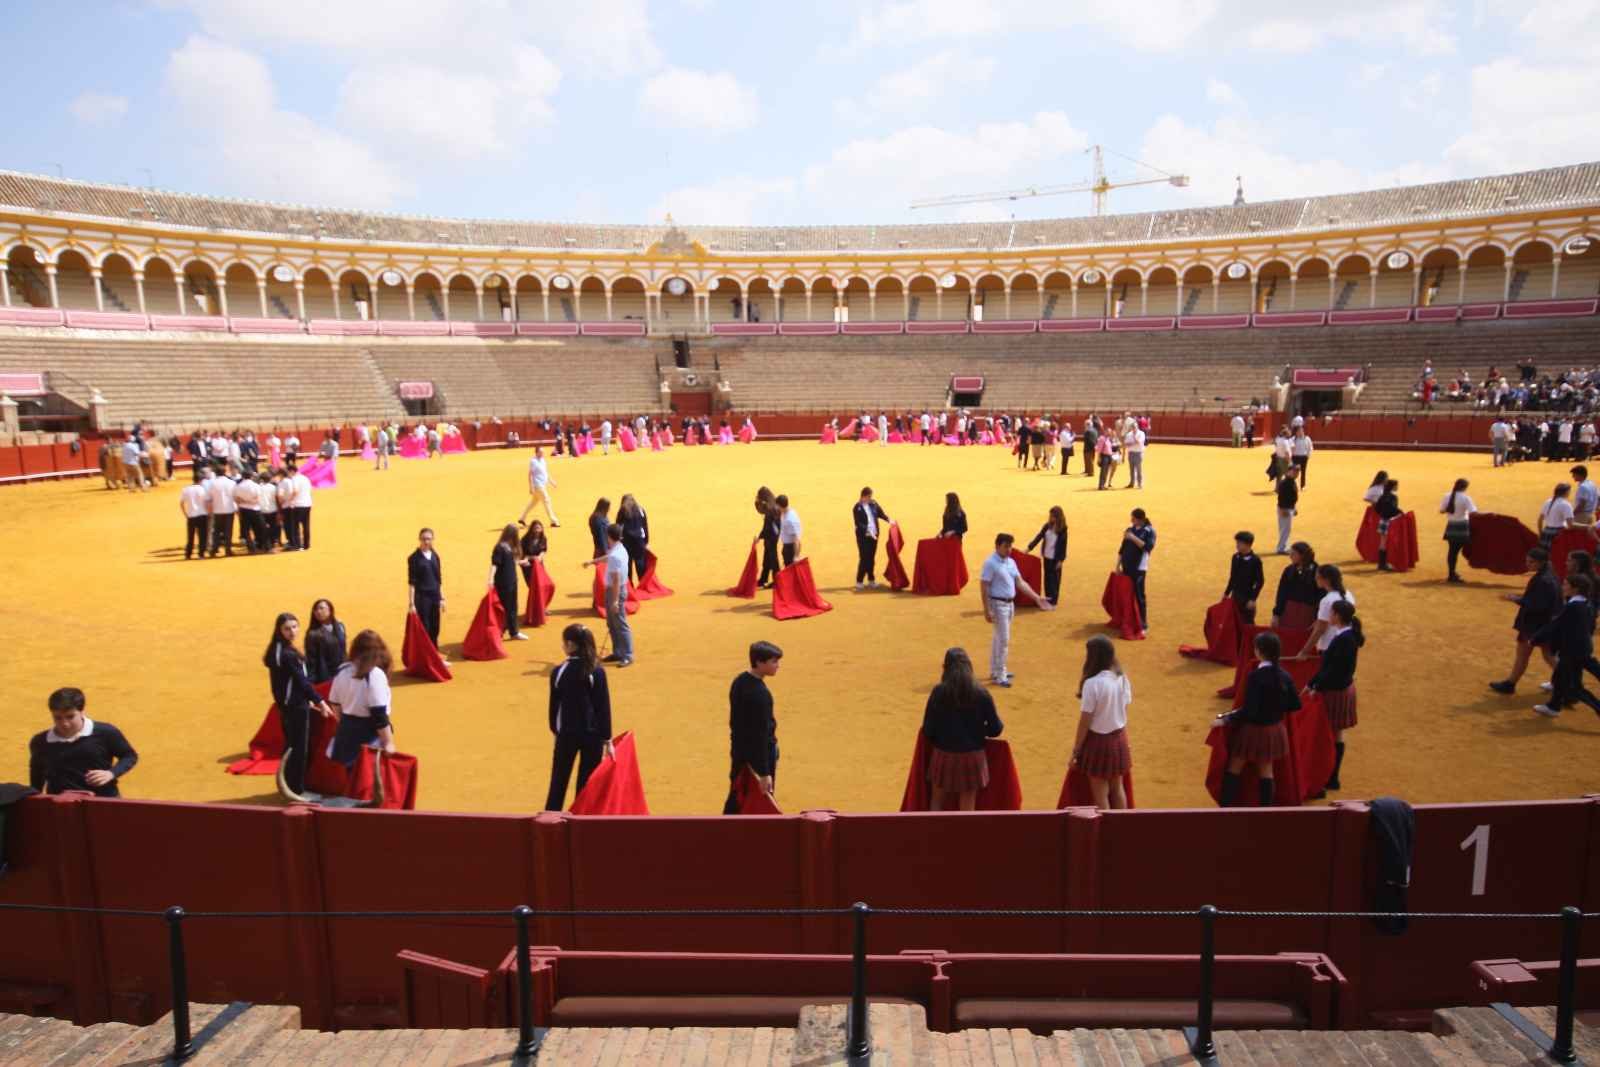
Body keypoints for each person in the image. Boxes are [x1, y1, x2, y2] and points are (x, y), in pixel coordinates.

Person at [1214, 631, 1300, 807]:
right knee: (1266, 770)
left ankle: (1224, 810)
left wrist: (1225, 718)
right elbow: (1295, 705)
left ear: (1260, 651)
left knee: (1235, 766)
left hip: (1254, 731)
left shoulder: (1256, 677)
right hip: (1275, 730)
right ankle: (1264, 813)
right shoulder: (1285, 675)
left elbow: (1249, 710)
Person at [920, 648, 1003, 811]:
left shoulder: (939, 692)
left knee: (936, 803)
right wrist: (977, 730)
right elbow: (996, 729)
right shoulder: (981, 693)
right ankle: (965, 837)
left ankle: (932, 835)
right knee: (967, 809)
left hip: (943, 755)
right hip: (973, 759)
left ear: (945, 668)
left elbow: (928, 730)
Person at [264, 612, 335, 797]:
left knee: (291, 744)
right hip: (296, 706)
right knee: (299, 747)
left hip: (288, 705)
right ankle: (297, 789)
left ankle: (288, 783)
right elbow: (301, 682)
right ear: (279, 630)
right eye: (287, 628)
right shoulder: (287, 654)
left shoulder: (278, 650)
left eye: (295, 627)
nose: (292, 631)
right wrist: (320, 701)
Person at [544, 623, 614, 811]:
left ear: (571, 645)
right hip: (593, 736)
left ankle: (551, 816)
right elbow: (603, 706)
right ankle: (582, 818)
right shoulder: (596, 670)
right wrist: (607, 738)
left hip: (566, 733)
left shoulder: (559, 672)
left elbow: (554, 705)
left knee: (559, 779)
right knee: (587, 782)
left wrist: (556, 730)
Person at [28, 687, 138, 798]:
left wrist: (111, 773)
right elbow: (37, 775)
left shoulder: (105, 732)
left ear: (81, 712)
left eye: (70, 717)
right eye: (58, 718)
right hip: (60, 805)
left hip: (103, 802)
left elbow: (129, 755)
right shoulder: (40, 742)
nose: (64, 723)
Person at [979, 533, 1054, 688]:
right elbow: (984, 586)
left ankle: (995, 670)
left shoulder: (1011, 562)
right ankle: (1000, 675)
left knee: (998, 638)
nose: (1009, 549)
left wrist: (1036, 598)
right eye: (1006, 546)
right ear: (997, 546)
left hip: (1009, 605)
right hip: (998, 605)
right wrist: (986, 610)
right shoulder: (990, 563)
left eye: (1010, 546)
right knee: (1003, 640)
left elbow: (1020, 583)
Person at [1306, 600, 1363, 794]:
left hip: (1334, 691)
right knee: (1337, 734)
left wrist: (1314, 685)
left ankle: (1327, 776)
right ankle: (1332, 777)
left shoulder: (1342, 639)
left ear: (1337, 616)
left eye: (1331, 613)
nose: (1328, 616)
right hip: (1343, 689)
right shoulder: (1349, 636)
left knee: (1327, 735)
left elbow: (1330, 670)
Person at [1070, 635, 1132, 810]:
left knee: (1100, 793)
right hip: (1119, 738)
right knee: (1117, 787)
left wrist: (1076, 751)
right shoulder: (1122, 678)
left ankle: (1106, 832)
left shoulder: (1092, 684)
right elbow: (1124, 709)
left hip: (1098, 743)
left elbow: (1085, 722)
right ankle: (1122, 826)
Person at [1491, 547, 1562, 696]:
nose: (1527, 564)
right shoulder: (1550, 576)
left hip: (1534, 624)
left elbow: (1536, 604)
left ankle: (1510, 684)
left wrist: (1516, 599)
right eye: (1527, 561)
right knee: (1547, 655)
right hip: (1546, 623)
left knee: (1528, 655)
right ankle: (1569, 683)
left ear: (1541, 563)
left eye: (1531, 562)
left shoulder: (1542, 580)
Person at [723, 640, 783, 813]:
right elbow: (761, 735)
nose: (777, 666)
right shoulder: (760, 695)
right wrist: (764, 773)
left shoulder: (739, 681)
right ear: (759, 662)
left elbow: (736, 723)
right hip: (760, 755)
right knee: (759, 803)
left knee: (737, 795)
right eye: (773, 661)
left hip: (740, 752)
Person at [1532, 573, 1600, 718]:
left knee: (1574, 687)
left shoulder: (1573, 607)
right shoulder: (1588, 603)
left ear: (1575, 589)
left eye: (1565, 584)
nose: (1562, 586)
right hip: (1583, 648)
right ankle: (1554, 706)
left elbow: (1554, 625)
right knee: (1560, 678)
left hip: (1572, 652)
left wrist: (1534, 639)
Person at [326, 629, 397, 768]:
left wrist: (345, 723)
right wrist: (388, 742)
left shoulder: (342, 670)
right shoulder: (375, 675)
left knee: (351, 777)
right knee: (369, 779)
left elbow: (335, 703)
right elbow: (379, 715)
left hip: (346, 731)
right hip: (369, 734)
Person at [584, 523, 633, 667]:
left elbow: (616, 579)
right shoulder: (619, 549)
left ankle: (627, 655)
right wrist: (593, 562)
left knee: (620, 623)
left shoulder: (616, 555)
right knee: (611, 623)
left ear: (609, 537)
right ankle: (618, 652)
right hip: (614, 590)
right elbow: (608, 557)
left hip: (615, 591)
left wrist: (615, 601)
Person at [1296, 564, 1354, 659]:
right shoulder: (1349, 595)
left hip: (1329, 647)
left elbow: (1320, 630)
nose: (1315, 579)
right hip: (1345, 645)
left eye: (1318, 577)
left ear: (1326, 580)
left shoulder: (1327, 601)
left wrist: (1304, 651)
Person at [1118, 509, 1156, 632]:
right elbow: (1122, 549)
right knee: (1126, 595)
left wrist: (1132, 537)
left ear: (1140, 519)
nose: (1131, 521)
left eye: (1133, 519)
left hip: (1139, 568)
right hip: (1127, 566)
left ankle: (1143, 624)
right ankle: (1128, 621)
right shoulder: (1130, 529)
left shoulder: (1149, 531)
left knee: (1139, 596)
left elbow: (1148, 547)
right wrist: (1118, 565)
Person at [407, 528, 445, 649]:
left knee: (435, 627)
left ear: (432, 540)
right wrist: (412, 603)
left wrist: (442, 598)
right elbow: (412, 583)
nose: (426, 541)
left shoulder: (435, 556)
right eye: (424, 539)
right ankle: (427, 657)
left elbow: (439, 579)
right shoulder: (414, 558)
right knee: (425, 627)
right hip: (422, 598)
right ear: (419, 540)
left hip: (434, 596)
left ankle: (435, 654)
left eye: (428, 539)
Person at [1271, 542, 1321, 630]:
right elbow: (1282, 592)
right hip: (1289, 611)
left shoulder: (1317, 571)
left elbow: (1321, 594)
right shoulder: (1289, 570)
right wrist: (1276, 614)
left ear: (1302, 555)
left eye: (1293, 554)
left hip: (1308, 613)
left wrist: (1318, 617)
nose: (1290, 556)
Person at [489, 524, 526, 641]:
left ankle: (513, 632)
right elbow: (495, 564)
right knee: (504, 608)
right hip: (503, 583)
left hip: (512, 581)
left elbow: (512, 562)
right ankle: (500, 632)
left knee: (513, 607)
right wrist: (490, 579)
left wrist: (521, 562)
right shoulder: (500, 547)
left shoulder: (510, 547)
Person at [1027, 506, 1069, 605]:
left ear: (1058, 517)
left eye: (1053, 516)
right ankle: (1048, 599)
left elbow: (1064, 545)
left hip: (1055, 558)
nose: (1050, 518)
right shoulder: (1047, 526)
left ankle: (1053, 602)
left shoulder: (1063, 529)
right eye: (1050, 516)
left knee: (1055, 580)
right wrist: (1029, 548)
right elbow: (1039, 537)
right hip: (1047, 557)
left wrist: (1060, 560)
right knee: (1047, 579)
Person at [851, 487, 891, 589]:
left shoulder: (873, 503)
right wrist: (868, 532)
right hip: (863, 537)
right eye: (869, 497)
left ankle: (871, 580)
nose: (870, 498)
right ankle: (859, 581)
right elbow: (859, 524)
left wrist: (889, 520)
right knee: (864, 558)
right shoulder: (857, 508)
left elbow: (880, 514)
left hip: (874, 535)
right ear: (863, 496)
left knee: (871, 558)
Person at [1440, 478, 1478, 583]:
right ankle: (1452, 574)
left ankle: (1451, 574)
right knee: (1469, 547)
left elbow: (1442, 510)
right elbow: (1473, 512)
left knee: (1452, 551)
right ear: (1465, 487)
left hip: (1451, 525)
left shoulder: (1447, 496)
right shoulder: (1466, 498)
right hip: (1462, 526)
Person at [1224, 531, 1265, 623]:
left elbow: (1260, 581)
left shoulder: (1255, 561)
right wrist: (1226, 593)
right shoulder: (1235, 557)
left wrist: (1252, 599)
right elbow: (1232, 577)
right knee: (1233, 621)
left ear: (1247, 545)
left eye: (1239, 543)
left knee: (1247, 622)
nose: (1237, 545)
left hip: (1247, 597)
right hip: (1235, 595)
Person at [305, 598, 348, 684]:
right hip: (326, 677)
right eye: (316, 609)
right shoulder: (313, 634)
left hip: (343, 673)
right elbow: (311, 660)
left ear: (330, 610)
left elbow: (343, 649)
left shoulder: (340, 626)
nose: (318, 612)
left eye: (321, 608)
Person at [518, 444, 559, 528]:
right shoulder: (533, 461)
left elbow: (545, 473)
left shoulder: (543, 460)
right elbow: (530, 475)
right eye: (541, 452)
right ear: (536, 452)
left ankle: (522, 518)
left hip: (542, 485)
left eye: (543, 452)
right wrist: (531, 487)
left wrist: (552, 482)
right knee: (547, 500)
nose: (542, 453)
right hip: (538, 485)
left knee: (533, 503)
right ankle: (553, 520)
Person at [205, 462, 237, 557]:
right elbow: (235, 496)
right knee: (228, 531)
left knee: (217, 531)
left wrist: (210, 511)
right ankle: (228, 550)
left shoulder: (212, 484)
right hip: (229, 509)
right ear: (225, 472)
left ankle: (214, 550)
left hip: (217, 510)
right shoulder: (231, 483)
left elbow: (209, 499)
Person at [617, 494, 650, 585]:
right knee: (640, 563)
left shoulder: (623, 510)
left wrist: (617, 542)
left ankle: (629, 586)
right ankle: (643, 585)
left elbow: (618, 526)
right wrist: (646, 541)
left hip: (626, 541)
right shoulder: (641, 510)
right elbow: (645, 526)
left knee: (627, 564)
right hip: (640, 540)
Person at [754, 487, 781, 589]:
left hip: (771, 536)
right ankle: (763, 579)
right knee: (768, 558)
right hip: (772, 535)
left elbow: (767, 527)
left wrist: (759, 537)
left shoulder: (770, 508)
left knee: (773, 559)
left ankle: (776, 581)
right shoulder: (772, 506)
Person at [179, 475, 210, 559]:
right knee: (202, 536)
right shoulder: (203, 490)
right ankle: (201, 554)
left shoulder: (186, 489)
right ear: (200, 481)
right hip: (202, 515)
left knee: (190, 536)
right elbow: (207, 503)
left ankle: (188, 554)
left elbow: (181, 503)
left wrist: (185, 514)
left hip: (191, 515)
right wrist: (208, 512)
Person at [285, 461, 313, 552]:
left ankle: (297, 545)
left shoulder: (294, 479)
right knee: (306, 525)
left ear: (292, 471)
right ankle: (306, 544)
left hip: (298, 505)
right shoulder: (306, 478)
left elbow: (295, 492)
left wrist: (290, 500)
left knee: (295, 526)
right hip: (307, 504)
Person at [1374, 479, 1401, 572]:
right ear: (1393, 487)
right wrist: (1401, 513)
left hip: (1382, 520)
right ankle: (1383, 564)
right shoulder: (1393, 497)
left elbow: (1376, 508)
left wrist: (1382, 514)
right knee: (1388, 542)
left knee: (1382, 542)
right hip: (1390, 521)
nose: (1398, 487)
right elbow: (1393, 509)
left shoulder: (1383, 495)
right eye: (1397, 485)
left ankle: (1381, 564)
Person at [1275, 468, 1299, 554]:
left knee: (1286, 529)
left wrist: (1294, 508)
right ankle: (1281, 548)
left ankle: (1284, 546)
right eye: (1294, 471)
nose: (1296, 473)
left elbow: (1292, 497)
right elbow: (1281, 498)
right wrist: (1282, 509)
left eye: (1297, 472)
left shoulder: (1291, 481)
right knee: (1285, 529)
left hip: (1288, 507)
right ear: (1288, 472)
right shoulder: (1285, 483)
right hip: (1284, 508)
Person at [257, 470, 280, 551]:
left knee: (263, 529)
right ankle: (272, 544)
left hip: (262, 510)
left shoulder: (258, 487)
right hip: (272, 510)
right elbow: (277, 500)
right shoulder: (273, 487)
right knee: (273, 528)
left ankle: (264, 545)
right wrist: (279, 511)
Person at [778, 494, 803, 567]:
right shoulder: (790, 512)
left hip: (790, 549)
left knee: (790, 572)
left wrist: (796, 556)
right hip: (788, 548)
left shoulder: (790, 520)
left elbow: (796, 539)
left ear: (780, 506)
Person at [1124, 421, 1146, 488]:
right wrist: (1133, 442)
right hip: (1131, 453)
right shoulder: (1128, 434)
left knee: (1139, 469)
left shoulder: (1141, 433)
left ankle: (1139, 483)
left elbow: (1139, 442)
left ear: (1137, 427)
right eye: (1132, 427)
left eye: (1135, 427)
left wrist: (1133, 438)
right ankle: (1132, 483)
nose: (1133, 428)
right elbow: (1126, 444)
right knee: (1131, 469)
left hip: (1138, 453)